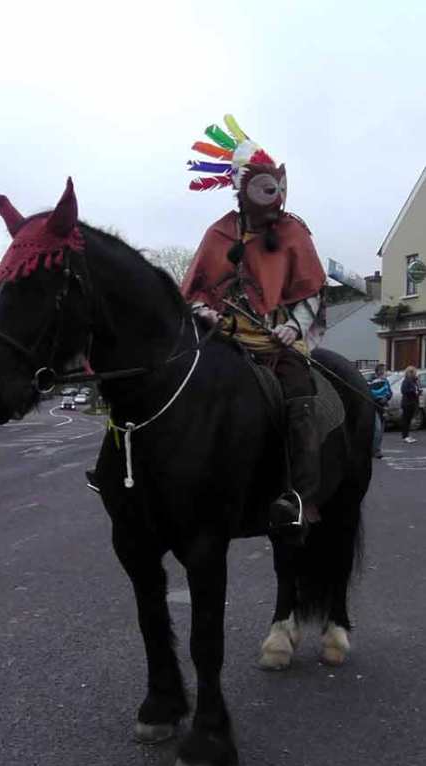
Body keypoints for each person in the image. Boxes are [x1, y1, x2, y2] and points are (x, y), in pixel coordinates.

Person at [181, 115, 326, 539]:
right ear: (240, 187)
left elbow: (312, 289)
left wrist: (294, 328)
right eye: (263, 184)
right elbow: (193, 289)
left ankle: (300, 497)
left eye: (276, 184)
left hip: (276, 343)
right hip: (224, 337)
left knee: (301, 395)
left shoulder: (293, 231)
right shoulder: (219, 232)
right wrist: (201, 311)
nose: (274, 194)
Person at [368, 363, 392, 458]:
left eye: (384, 370)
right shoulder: (372, 381)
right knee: (377, 429)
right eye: (382, 370)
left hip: (383, 407)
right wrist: (377, 399)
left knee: (381, 430)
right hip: (375, 407)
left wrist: (386, 397)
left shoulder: (385, 381)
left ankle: (377, 449)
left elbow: (389, 392)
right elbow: (369, 394)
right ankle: (374, 450)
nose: (383, 372)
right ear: (377, 371)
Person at [400, 365, 422, 443]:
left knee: (408, 420)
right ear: (410, 373)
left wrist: (418, 390)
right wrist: (414, 392)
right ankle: (405, 436)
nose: (415, 374)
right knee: (406, 420)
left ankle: (407, 435)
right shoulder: (406, 381)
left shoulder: (413, 381)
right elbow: (404, 391)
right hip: (407, 403)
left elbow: (417, 389)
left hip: (412, 403)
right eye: (414, 372)